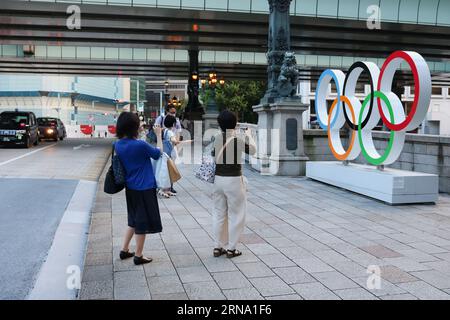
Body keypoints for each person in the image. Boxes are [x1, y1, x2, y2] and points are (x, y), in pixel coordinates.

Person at [114, 112, 163, 265]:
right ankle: (139, 255)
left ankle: (124, 249)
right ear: (133, 127)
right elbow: (158, 153)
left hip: (130, 187)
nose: (141, 125)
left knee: (133, 220)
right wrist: (159, 135)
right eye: (139, 124)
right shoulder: (140, 145)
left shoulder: (117, 144)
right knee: (141, 222)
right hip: (145, 187)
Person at [211, 110, 256, 258]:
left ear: (219, 124)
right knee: (237, 214)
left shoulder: (217, 138)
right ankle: (231, 248)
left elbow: (212, 154)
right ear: (235, 124)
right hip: (234, 181)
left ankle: (218, 246)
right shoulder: (237, 140)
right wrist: (249, 135)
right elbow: (254, 151)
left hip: (218, 180)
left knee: (219, 213)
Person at [158, 114, 180, 198]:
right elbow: (173, 140)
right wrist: (176, 141)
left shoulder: (165, 131)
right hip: (170, 154)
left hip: (165, 153)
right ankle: (164, 189)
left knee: (166, 171)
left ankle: (167, 189)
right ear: (173, 124)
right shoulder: (170, 132)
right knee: (169, 171)